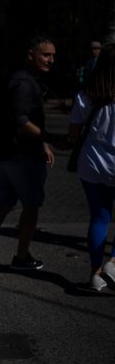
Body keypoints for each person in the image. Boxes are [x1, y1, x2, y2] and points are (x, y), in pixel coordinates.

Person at [0, 36, 64, 275]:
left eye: (53, 55)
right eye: (45, 55)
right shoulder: (24, 83)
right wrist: (50, 138)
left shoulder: (20, 80)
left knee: (5, 203)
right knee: (31, 205)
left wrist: (42, 143)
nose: (51, 60)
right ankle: (21, 256)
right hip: (19, 156)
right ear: (30, 54)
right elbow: (21, 122)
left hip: (0, 155)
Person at [67, 43, 115, 292]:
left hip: (92, 163)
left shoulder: (86, 95)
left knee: (99, 217)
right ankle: (114, 263)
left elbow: (74, 135)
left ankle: (96, 275)